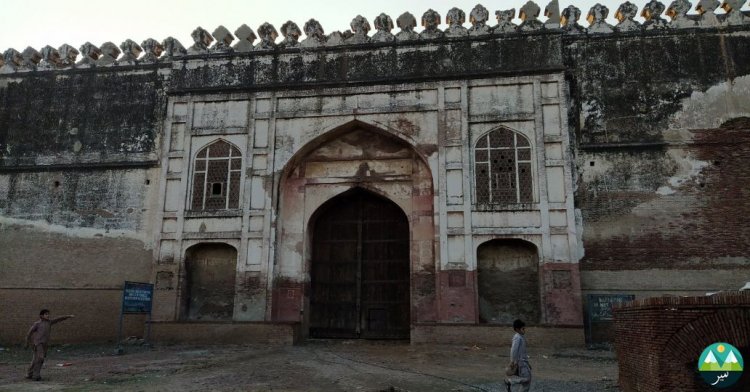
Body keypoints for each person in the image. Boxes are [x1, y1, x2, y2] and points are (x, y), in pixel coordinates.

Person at [25, 309, 74, 381]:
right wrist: (27, 343)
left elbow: (58, 319)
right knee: (40, 358)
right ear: (41, 316)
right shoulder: (37, 324)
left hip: (45, 344)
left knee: (36, 359)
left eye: (48, 314)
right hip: (38, 344)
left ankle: (29, 374)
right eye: (46, 314)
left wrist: (68, 316)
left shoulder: (49, 322)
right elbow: (29, 333)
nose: (48, 315)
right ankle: (36, 375)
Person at [504, 319, 531, 392]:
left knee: (526, 383)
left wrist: (528, 363)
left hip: (524, 363)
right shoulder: (517, 337)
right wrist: (512, 361)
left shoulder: (521, 337)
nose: (524, 330)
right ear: (517, 329)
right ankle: (511, 381)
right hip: (521, 363)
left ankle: (511, 381)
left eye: (524, 328)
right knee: (527, 380)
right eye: (523, 328)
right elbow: (513, 350)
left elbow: (523, 353)